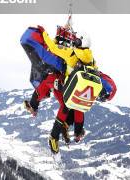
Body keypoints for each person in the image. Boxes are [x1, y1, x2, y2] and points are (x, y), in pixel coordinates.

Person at [40, 26, 96, 154]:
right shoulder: (91, 59)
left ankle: (54, 136)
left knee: (65, 107)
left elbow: (53, 48)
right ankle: (77, 132)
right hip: (82, 91)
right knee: (79, 108)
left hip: (67, 87)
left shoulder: (71, 53)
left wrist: (44, 33)